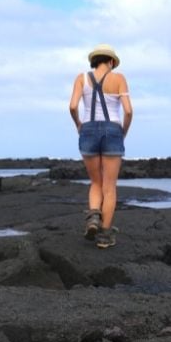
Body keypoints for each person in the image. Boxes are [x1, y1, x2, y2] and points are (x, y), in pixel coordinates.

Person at [68, 43, 133, 249]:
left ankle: (93, 219)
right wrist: (123, 132)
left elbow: (72, 106)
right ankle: (104, 236)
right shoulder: (118, 78)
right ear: (112, 61)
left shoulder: (82, 78)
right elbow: (129, 111)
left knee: (95, 182)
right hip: (113, 129)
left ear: (94, 60)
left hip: (87, 129)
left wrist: (79, 124)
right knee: (109, 186)